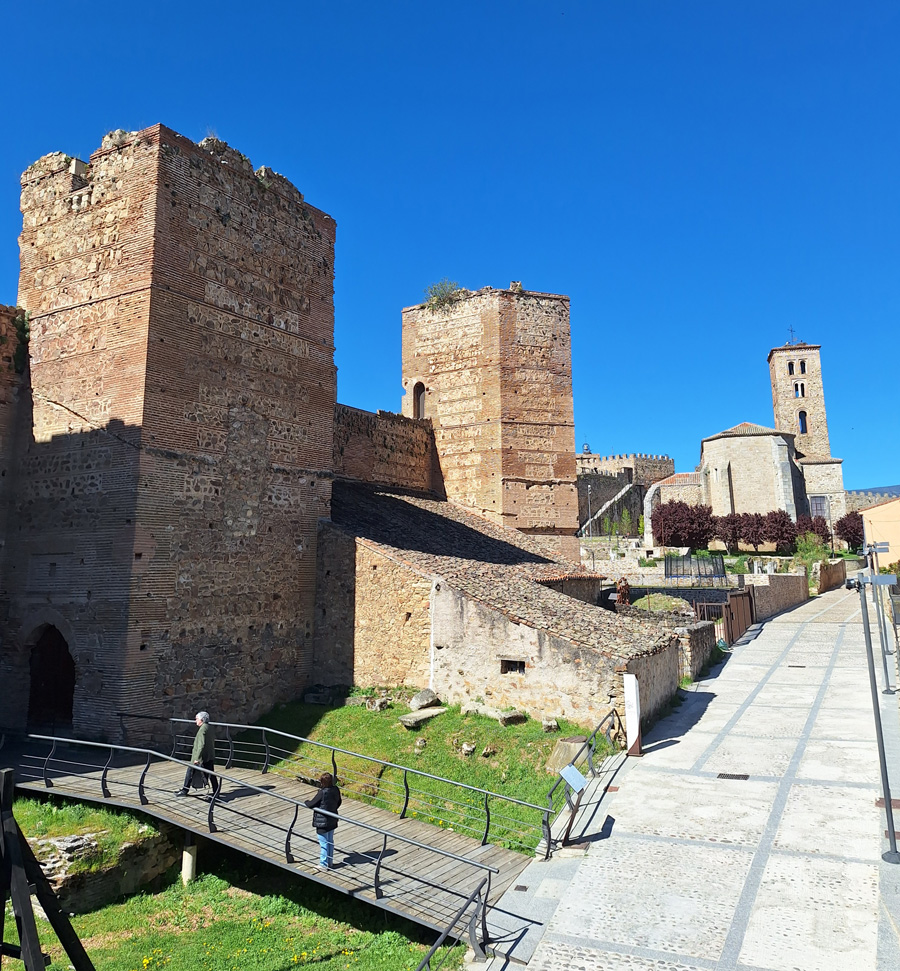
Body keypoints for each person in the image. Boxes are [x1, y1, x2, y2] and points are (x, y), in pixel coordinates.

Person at [174, 711, 219, 798]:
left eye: (197, 719)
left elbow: (201, 745)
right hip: (209, 755)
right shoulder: (209, 727)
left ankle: (184, 790)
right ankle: (216, 791)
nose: (195, 721)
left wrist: (197, 758)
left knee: (190, 771)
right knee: (211, 773)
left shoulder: (202, 730)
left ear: (201, 720)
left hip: (201, 757)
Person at [304, 772, 341, 870]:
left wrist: (306, 802)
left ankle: (323, 863)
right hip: (332, 819)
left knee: (323, 842)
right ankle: (330, 862)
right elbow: (339, 802)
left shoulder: (322, 792)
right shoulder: (336, 790)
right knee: (330, 841)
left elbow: (312, 804)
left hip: (322, 822)